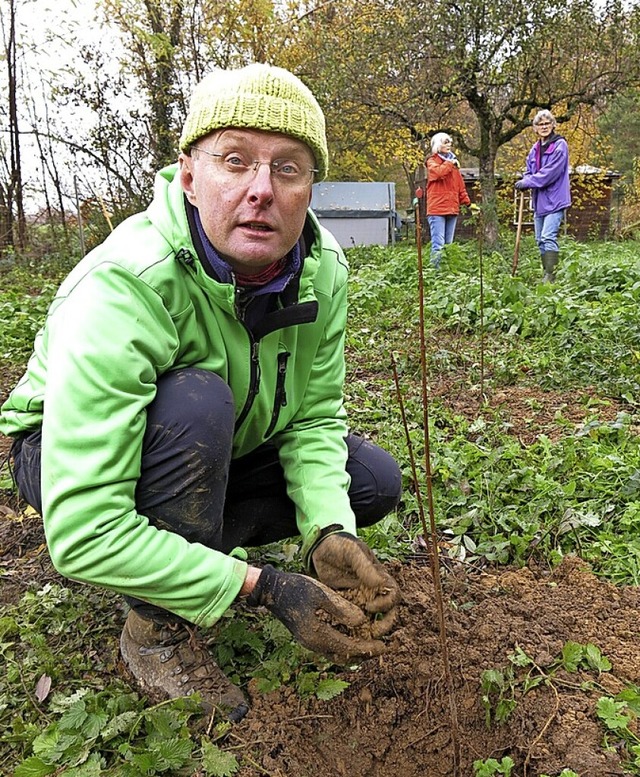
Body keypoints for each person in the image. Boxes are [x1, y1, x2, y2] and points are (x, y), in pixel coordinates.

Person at [0, 64, 402, 723]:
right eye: (235, 160)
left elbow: (315, 415)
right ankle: (154, 631)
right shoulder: (125, 283)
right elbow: (83, 530)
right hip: (70, 453)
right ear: (189, 175)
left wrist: (329, 525)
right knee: (196, 402)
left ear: (310, 188)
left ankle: (190, 546)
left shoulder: (323, 271)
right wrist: (264, 587)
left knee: (370, 481)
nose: (261, 190)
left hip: (216, 438)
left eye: (289, 168)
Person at [515, 109, 571, 282]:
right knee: (540, 239)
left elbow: (549, 173)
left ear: (553, 125)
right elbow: (530, 170)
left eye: (547, 123)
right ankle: (546, 273)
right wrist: (525, 179)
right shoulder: (535, 149)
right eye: (540, 124)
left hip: (556, 199)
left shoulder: (560, 145)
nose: (544, 127)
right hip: (539, 201)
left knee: (548, 236)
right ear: (535, 128)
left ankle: (551, 276)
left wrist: (529, 182)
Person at [425, 132, 471, 268]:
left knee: (448, 245)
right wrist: (451, 163)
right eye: (445, 142)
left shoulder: (453, 164)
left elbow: (460, 187)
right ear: (438, 145)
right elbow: (439, 173)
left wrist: (469, 204)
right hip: (437, 210)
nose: (449, 145)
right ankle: (436, 274)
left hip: (452, 209)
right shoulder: (432, 161)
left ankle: (446, 273)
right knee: (438, 244)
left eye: (449, 142)